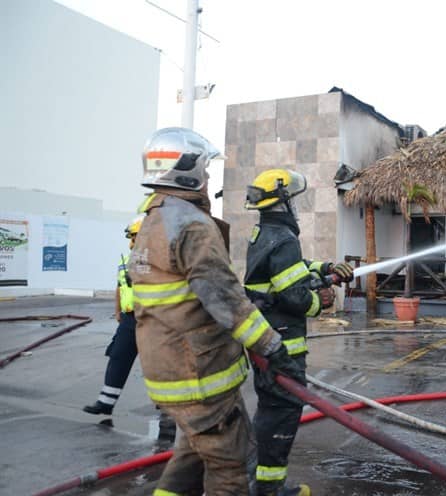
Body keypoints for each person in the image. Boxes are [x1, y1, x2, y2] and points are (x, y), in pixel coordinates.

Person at [130, 127, 303, 496]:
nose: (208, 177)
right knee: (230, 468)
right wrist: (272, 348)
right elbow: (223, 298)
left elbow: (191, 291)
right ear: (187, 168)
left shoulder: (154, 218)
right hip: (199, 376)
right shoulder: (192, 224)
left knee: (190, 457)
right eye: (205, 169)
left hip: (168, 372)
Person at [243, 168, 354, 496]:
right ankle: (271, 489)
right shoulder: (284, 239)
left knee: (270, 410)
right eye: (293, 199)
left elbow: (289, 272)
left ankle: (260, 479)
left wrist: (325, 269)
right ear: (283, 203)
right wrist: (320, 303)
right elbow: (293, 296)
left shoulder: (265, 234)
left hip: (265, 339)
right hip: (283, 345)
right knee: (283, 413)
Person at [83, 215, 144, 416]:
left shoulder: (159, 260)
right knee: (118, 356)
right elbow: (120, 286)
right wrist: (118, 311)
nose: (131, 242)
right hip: (129, 319)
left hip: (152, 320)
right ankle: (106, 403)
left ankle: (166, 412)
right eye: (131, 237)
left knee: (157, 365)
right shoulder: (126, 260)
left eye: (134, 237)